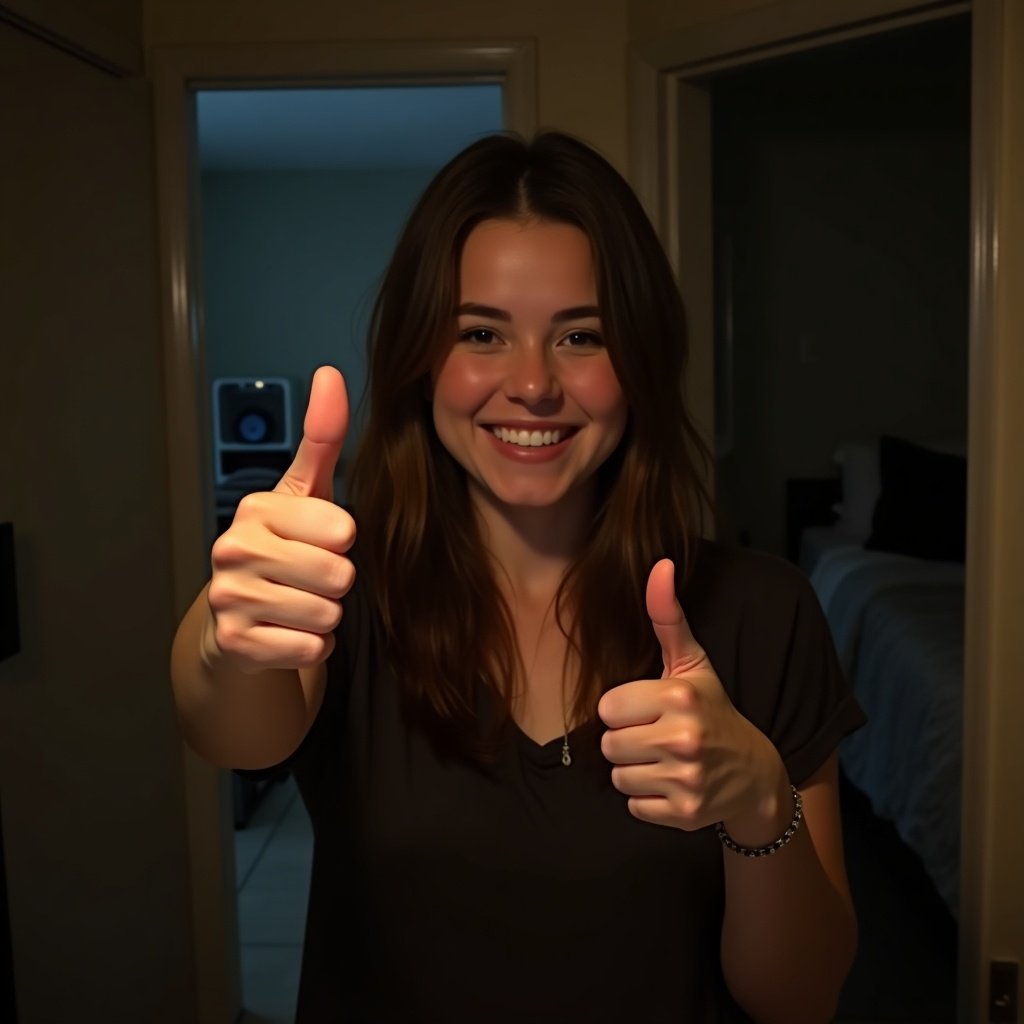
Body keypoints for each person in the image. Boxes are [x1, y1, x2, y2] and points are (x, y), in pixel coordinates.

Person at [170, 130, 865, 1023]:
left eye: (581, 335)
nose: (533, 384)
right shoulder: (335, 592)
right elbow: (230, 731)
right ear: (423, 361)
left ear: (641, 362)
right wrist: (226, 636)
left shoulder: (764, 611)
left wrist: (762, 804)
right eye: (482, 334)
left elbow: (800, 999)